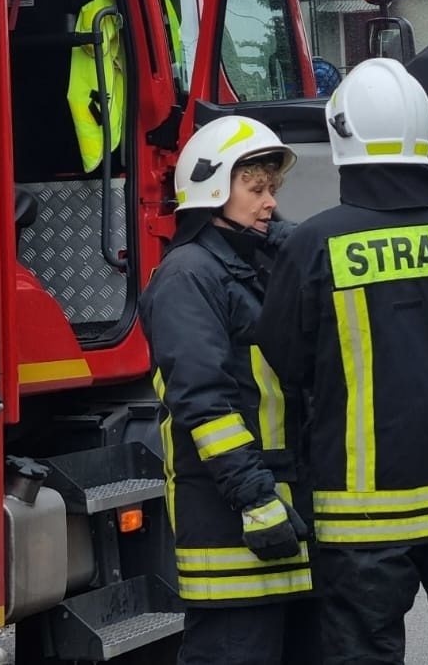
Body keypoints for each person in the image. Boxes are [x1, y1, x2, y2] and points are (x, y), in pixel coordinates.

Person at [255, 57, 428, 665]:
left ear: (341, 136)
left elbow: (285, 362)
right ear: (423, 134)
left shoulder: (313, 243)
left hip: (361, 520)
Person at [138, 115, 317, 665]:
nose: (269, 203)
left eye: (273, 190)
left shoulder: (254, 265)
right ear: (213, 189)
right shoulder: (188, 276)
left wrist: (295, 246)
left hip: (280, 505)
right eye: (256, 189)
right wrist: (255, 498)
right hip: (230, 515)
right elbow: (204, 402)